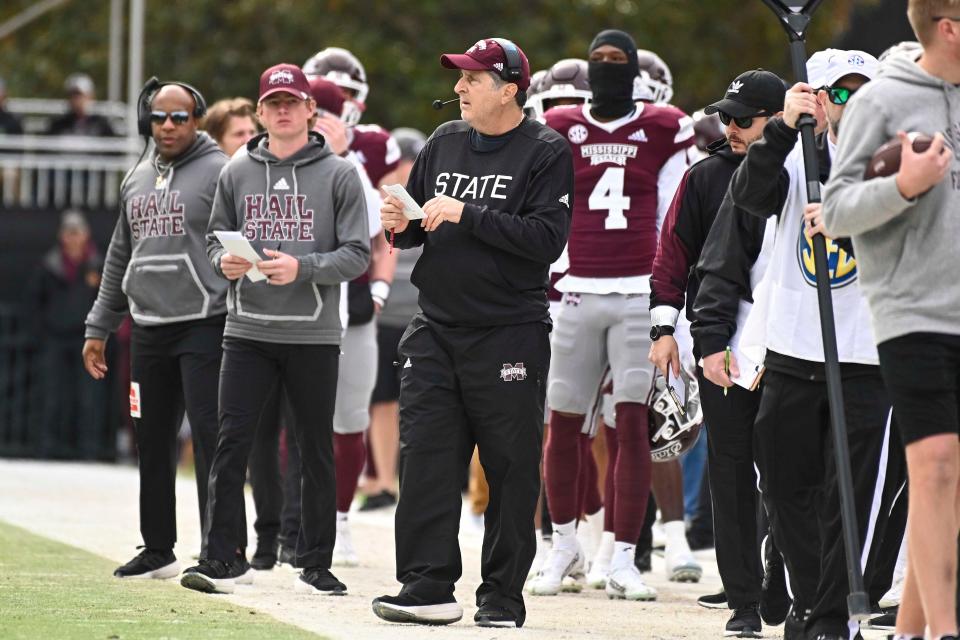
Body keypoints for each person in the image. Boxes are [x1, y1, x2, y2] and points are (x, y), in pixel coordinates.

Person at [371, 37, 572, 629]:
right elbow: (420, 228)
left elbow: (546, 241)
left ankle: (502, 597)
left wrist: (466, 212)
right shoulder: (444, 140)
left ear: (509, 89)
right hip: (436, 329)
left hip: (509, 331)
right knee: (428, 460)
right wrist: (400, 225)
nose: (458, 88)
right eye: (459, 77)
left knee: (509, 468)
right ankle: (427, 586)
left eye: (473, 79)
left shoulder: (546, 149)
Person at [728, 50, 905, 640]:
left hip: (865, 357)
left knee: (850, 501)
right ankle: (810, 597)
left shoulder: (897, 158)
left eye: (866, 93)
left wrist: (848, 220)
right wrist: (779, 128)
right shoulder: (794, 153)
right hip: (792, 350)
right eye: (840, 93)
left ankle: (832, 619)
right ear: (817, 100)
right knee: (783, 489)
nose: (854, 106)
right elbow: (751, 199)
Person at [180, 63, 369, 596]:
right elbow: (214, 242)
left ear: (312, 110)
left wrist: (303, 267)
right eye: (273, 102)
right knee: (229, 442)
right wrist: (225, 264)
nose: (283, 110)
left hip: (312, 333)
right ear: (260, 111)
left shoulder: (340, 174)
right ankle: (221, 556)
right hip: (247, 329)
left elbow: (357, 254)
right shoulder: (236, 170)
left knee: (314, 446)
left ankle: (315, 561)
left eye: (293, 101)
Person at [530, 29, 693, 602]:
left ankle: (624, 555)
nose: (605, 69)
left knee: (631, 427)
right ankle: (562, 545)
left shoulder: (664, 127)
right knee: (563, 423)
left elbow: (677, 216)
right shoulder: (559, 127)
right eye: (597, 60)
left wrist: (670, 300)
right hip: (573, 289)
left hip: (635, 294)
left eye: (616, 61)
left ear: (634, 71)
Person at [822, 4, 960, 638]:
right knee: (935, 467)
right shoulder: (881, 101)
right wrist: (904, 185)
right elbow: (839, 209)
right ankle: (943, 630)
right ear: (950, 27)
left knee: (945, 483)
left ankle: (908, 629)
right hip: (912, 308)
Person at [649, 68, 785, 637]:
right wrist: (664, 329)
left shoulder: (807, 173)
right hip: (722, 341)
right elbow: (674, 253)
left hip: (790, 346)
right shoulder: (704, 177)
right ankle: (744, 599)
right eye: (724, 116)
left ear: (780, 120)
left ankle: (784, 586)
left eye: (742, 119)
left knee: (789, 471)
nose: (729, 127)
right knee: (729, 472)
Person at [82, 81, 227, 579]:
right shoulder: (137, 177)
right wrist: (99, 325)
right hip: (148, 327)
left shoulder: (220, 171)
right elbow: (121, 255)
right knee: (152, 438)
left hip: (205, 322)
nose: (167, 126)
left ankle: (220, 551)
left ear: (197, 119)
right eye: (159, 117)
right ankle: (158, 547)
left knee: (210, 438)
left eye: (179, 117)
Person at [361, 126, 427, 511]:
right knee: (382, 400)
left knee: (416, 403)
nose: (410, 170)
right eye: (405, 162)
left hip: (419, 316)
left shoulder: (434, 200)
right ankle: (384, 483)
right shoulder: (377, 203)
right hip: (385, 316)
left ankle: (408, 483)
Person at [30, 210, 105, 459]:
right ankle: (47, 447)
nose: (74, 239)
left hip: (88, 338)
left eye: (78, 233)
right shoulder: (49, 264)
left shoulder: (97, 264)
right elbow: (35, 302)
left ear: (86, 235)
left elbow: (107, 300)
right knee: (52, 394)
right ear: (62, 237)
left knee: (88, 396)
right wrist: (43, 331)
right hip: (55, 336)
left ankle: (89, 449)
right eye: (69, 233)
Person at [47, 73, 115, 137]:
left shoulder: (102, 125)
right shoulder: (58, 124)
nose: (76, 99)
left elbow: (114, 145)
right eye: (72, 95)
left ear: (90, 96)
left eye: (79, 95)